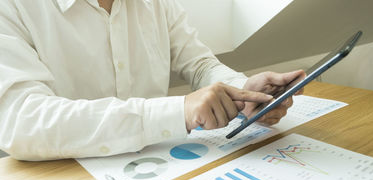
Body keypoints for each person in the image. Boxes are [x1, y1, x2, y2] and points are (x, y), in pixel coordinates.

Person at [0, 0, 305, 161]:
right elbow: (21, 122)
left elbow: (199, 65)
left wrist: (241, 92)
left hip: (161, 166)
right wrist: (179, 111)